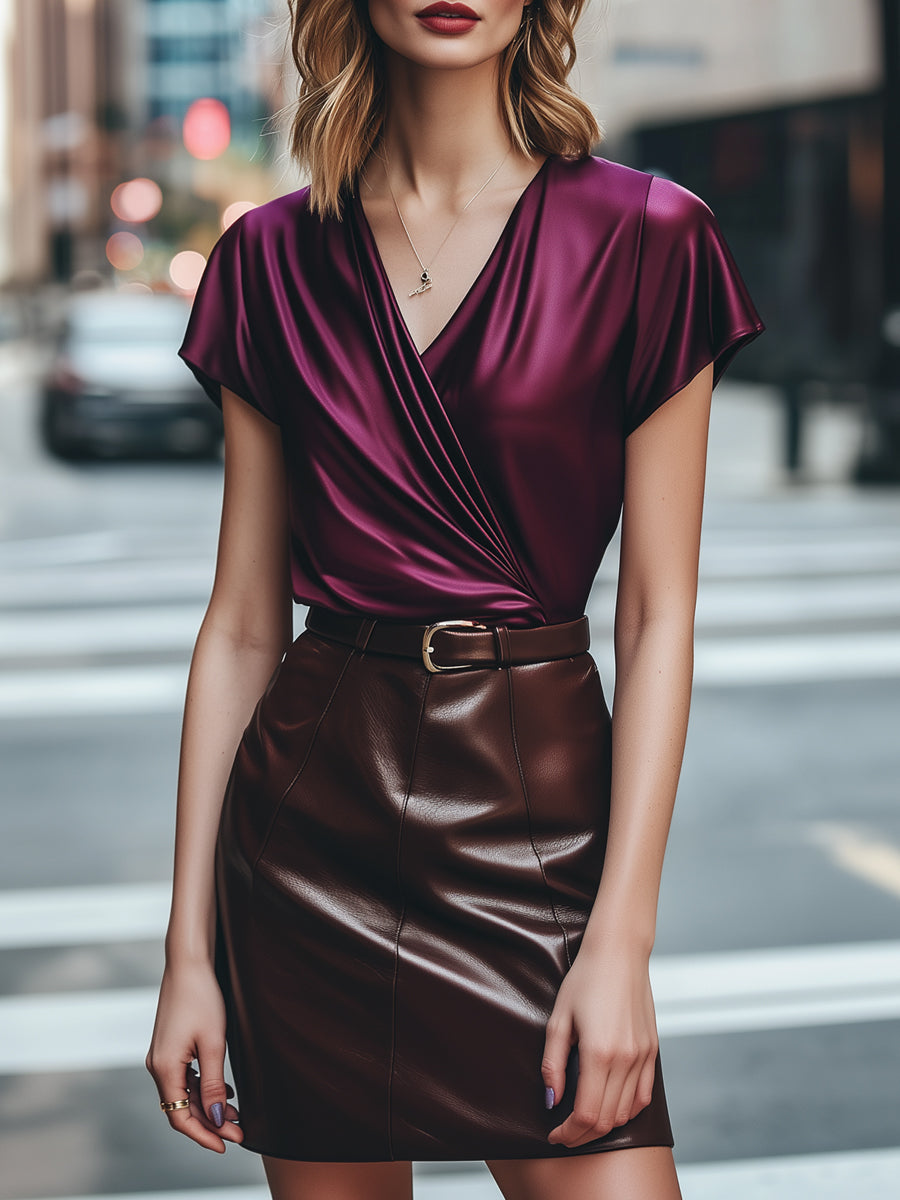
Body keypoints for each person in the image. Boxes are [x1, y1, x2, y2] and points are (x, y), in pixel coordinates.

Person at [146, 0, 765, 1197]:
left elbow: (656, 616)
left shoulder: (649, 236)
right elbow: (237, 626)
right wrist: (188, 957)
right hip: (306, 840)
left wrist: (621, 942)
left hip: (536, 831)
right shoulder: (268, 259)